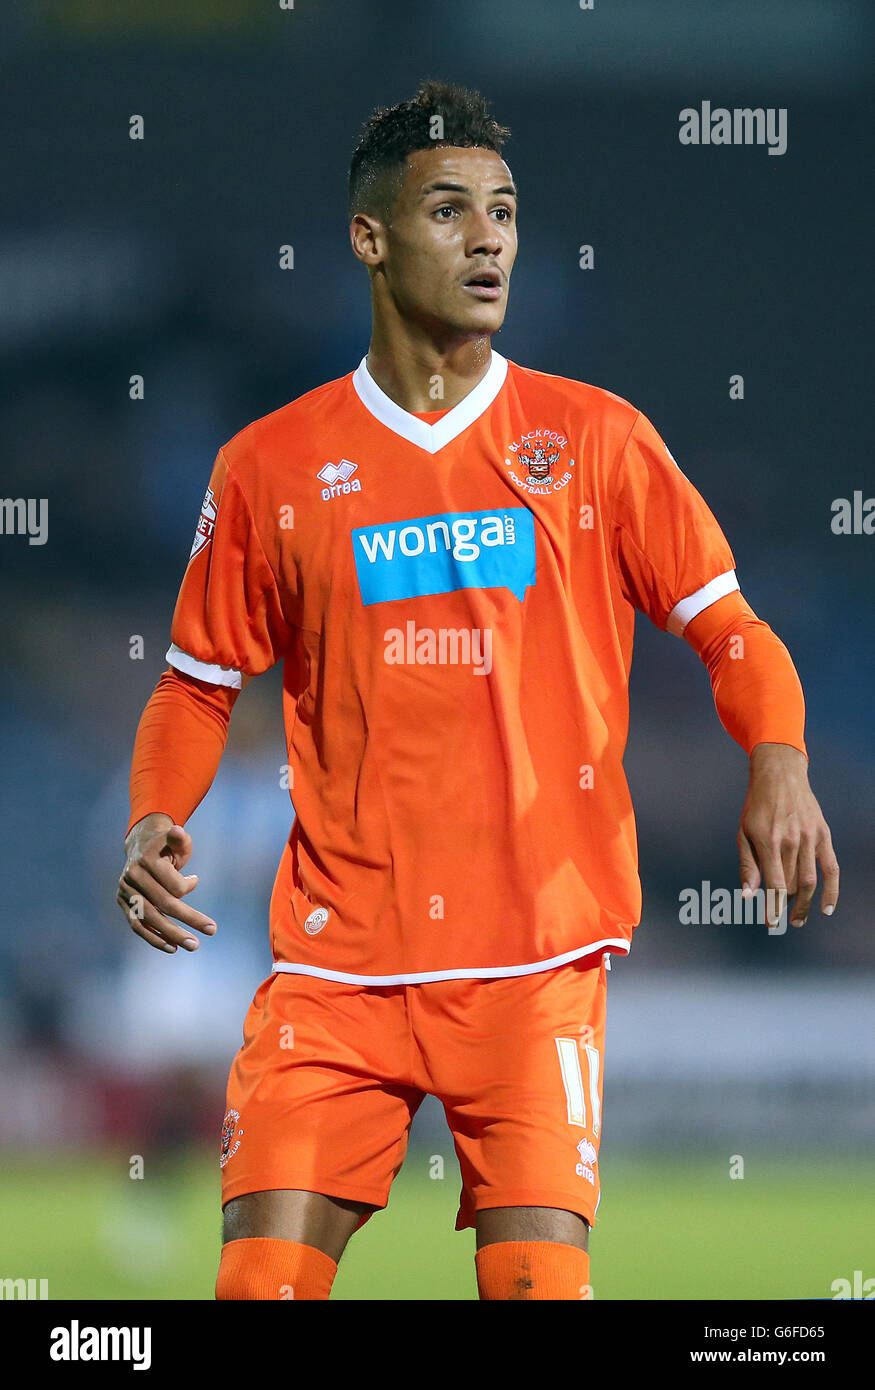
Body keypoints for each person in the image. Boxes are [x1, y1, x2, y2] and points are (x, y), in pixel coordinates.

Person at [117, 80, 839, 1301]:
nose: (488, 237)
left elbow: (731, 632)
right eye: (448, 210)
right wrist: (153, 812)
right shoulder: (270, 467)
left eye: (501, 211)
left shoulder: (597, 440)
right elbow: (194, 686)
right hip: (336, 969)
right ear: (369, 237)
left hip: (534, 964)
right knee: (256, 1289)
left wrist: (777, 759)